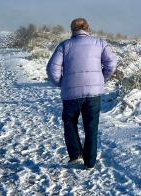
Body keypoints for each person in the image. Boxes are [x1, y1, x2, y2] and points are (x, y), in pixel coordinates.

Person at [47, 18, 118, 169]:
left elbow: (52, 69)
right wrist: (101, 79)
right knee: (91, 126)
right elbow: (112, 63)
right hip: (94, 93)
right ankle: (90, 162)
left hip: (71, 93)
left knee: (69, 121)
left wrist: (62, 83)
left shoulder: (64, 46)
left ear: (72, 30)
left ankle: (76, 154)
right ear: (87, 28)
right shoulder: (100, 43)